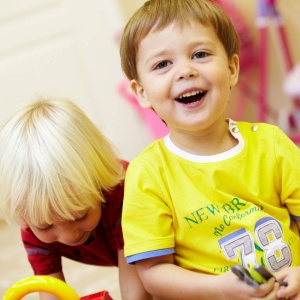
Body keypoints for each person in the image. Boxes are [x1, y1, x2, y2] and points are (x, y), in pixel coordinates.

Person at [119, 0, 300, 299]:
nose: (185, 71)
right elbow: (153, 274)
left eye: (200, 54)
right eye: (163, 64)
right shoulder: (147, 174)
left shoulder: (273, 144)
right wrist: (221, 290)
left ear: (231, 69)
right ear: (142, 92)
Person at [0, 97, 152, 300]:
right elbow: (49, 289)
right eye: (45, 226)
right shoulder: (32, 220)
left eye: (79, 216)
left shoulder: (127, 192)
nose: (68, 237)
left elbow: (137, 291)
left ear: (97, 181)